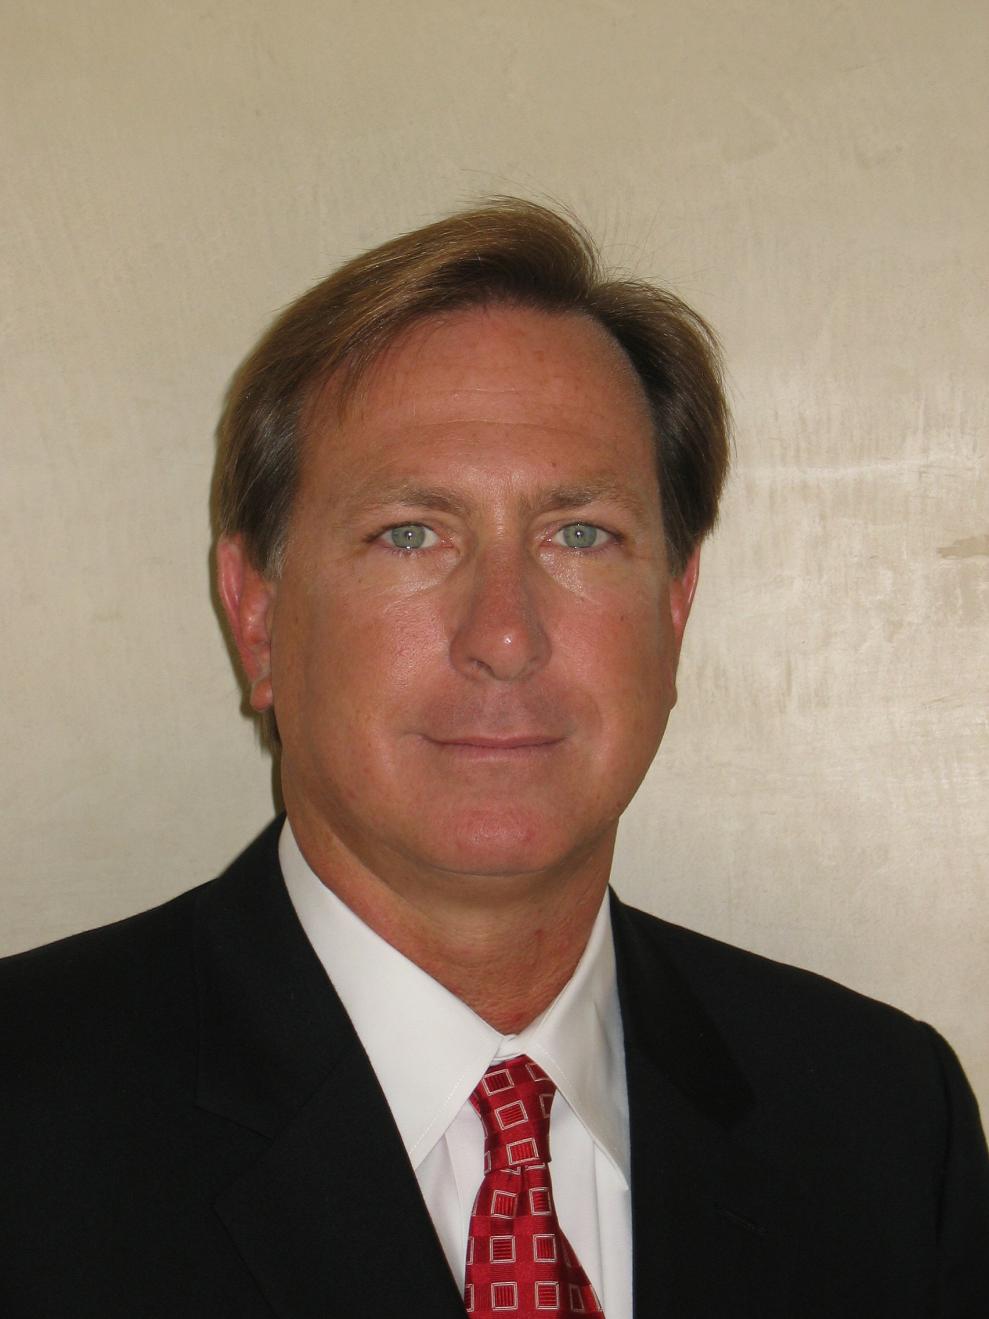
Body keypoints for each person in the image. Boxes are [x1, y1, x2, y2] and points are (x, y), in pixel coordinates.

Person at [2, 199, 986, 1318]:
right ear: (258, 617)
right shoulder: (26, 1121)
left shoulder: (884, 1124)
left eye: (580, 534)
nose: (505, 636)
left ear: (673, 610)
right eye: (410, 533)